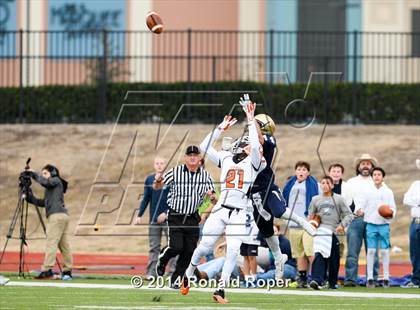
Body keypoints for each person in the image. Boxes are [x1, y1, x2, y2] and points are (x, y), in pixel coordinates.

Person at [181, 98, 266, 304]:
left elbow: (256, 145)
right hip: (220, 209)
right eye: (244, 144)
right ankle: (188, 273)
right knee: (205, 246)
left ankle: (221, 290)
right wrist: (220, 128)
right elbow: (203, 146)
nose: (248, 146)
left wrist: (249, 117)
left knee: (233, 251)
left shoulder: (255, 162)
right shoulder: (226, 158)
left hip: (239, 212)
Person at [249, 113, 315, 280]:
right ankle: (279, 258)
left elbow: (259, 141)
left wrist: (250, 117)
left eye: (255, 124)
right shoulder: (248, 140)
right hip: (254, 193)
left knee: (279, 211)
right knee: (266, 231)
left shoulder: (269, 139)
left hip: (267, 187)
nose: (250, 126)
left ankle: (302, 222)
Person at [154, 146, 216, 287]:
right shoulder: (176, 172)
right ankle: (163, 260)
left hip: (192, 217)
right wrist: (158, 180)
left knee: (189, 251)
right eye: (190, 155)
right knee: (176, 247)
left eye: (195, 155)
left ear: (200, 158)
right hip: (176, 215)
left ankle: (176, 279)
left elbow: (214, 199)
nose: (193, 157)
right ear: (185, 158)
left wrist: (211, 196)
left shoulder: (206, 176)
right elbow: (157, 187)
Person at [25, 164, 73, 280]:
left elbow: (45, 182)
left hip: (56, 216)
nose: (43, 176)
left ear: (53, 173)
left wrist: (32, 173)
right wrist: (29, 197)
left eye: (45, 173)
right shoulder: (52, 188)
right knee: (64, 245)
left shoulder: (55, 180)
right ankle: (67, 271)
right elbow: (43, 203)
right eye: (42, 174)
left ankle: (47, 270)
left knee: (51, 243)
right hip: (62, 216)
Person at [308, 176, 353, 290]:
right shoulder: (315, 199)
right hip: (320, 231)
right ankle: (317, 280)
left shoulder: (339, 199)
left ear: (332, 185)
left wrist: (342, 225)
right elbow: (310, 215)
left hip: (333, 231)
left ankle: (332, 282)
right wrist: (313, 222)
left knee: (334, 258)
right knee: (319, 254)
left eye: (327, 183)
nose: (325, 185)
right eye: (322, 183)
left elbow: (349, 214)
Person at [283, 161, 320, 288]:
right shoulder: (290, 184)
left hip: (307, 222)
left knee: (310, 251)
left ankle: (317, 277)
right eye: (299, 169)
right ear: (295, 171)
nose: (301, 172)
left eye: (304, 170)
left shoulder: (313, 184)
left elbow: (317, 201)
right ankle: (302, 277)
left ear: (308, 172)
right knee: (298, 253)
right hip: (293, 222)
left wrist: (314, 218)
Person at [344, 154, 379, 287]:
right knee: (352, 251)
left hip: (373, 220)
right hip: (355, 220)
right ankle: (350, 279)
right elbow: (345, 202)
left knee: (373, 251)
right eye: (362, 163)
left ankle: (372, 279)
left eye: (368, 163)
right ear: (358, 167)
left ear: (372, 166)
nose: (365, 166)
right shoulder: (351, 183)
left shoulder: (377, 182)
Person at [134, 156, 170, 278]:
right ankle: (151, 273)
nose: (159, 165)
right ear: (154, 165)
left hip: (169, 219)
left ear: (165, 165)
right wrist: (139, 215)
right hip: (154, 220)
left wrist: (166, 213)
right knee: (154, 247)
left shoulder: (171, 178)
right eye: (157, 163)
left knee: (173, 246)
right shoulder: (149, 179)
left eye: (162, 163)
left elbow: (175, 199)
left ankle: (172, 272)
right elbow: (146, 198)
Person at [364, 167, 396, 288]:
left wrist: (390, 214)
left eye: (379, 174)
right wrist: (360, 210)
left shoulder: (388, 192)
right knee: (371, 251)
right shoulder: (367, 191)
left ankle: (386, 277)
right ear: (372, 177)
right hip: (371, 224)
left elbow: (392, 208)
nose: (377, 176)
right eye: (375, 174)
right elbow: (362, 205)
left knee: (384, 251)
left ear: (383, 177)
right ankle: (370, 277)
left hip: (383, 224)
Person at [401, 159, 420, 288]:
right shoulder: (415, 184)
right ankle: (416, 279)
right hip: (416, 221)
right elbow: (406, 199)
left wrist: (416, 201)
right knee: (415, 252)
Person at [328, 163, 350, 258]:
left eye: (338, 172)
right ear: (329, 173)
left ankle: (335, 272)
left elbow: (350, 207)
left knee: (338, 251)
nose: (336, 173)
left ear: (341, 174)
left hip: (340, 225)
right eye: (333, 171)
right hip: (326, 224)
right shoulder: (323, 185)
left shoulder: (347, 187)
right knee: (325, 249)